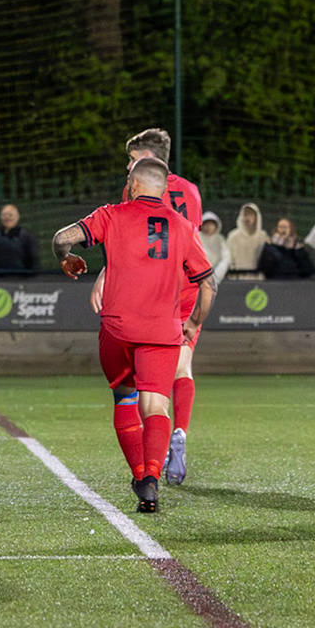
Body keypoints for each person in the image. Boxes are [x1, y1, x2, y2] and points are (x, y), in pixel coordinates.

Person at [52, 157, 216, 514]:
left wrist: (66, 258)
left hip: (118, 329)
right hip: (163, 331)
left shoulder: (111, 215)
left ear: (135, 185)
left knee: (125, 398)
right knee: (156, 406)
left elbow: (62, 237)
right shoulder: (183, 227)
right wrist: (194, 322)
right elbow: (208, 284)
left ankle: (140, 474)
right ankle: (152, 480)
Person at [105, 129, 203, 486]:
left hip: (153, 289)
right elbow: (190, 235)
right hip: (188, 285)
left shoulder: (136, 187)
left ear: (146, 158)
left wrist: (106, 276)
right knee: (182, 366)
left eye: (132, 159)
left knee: (140, 383)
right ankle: (180, 433)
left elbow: (127, 238)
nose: (128, 167)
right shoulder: (191, 190)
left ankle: (148, 463)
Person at [0, 204, 37, 276]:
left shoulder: (26, 236)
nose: (7, 218)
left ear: (17, 217)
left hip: (20, 279)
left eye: (10, 215)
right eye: (4, 215)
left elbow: (32, 261)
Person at [225, 203, 267, 278]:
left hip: (257, 278)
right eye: (245, 214)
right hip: (238, 277)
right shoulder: (233, 236)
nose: (248, 218)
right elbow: (229, 258)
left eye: (251, 215)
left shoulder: (263, 237)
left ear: (256, 217)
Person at [198, 213, 232, 287]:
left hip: (217, 278)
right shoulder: (196, 238)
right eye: (206, 224)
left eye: (211, 224)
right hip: (198, 278)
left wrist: (218, 274)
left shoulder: (220, 239)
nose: (209, 227)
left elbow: (226, 257)